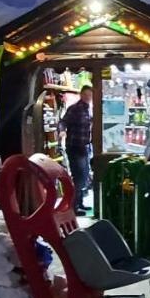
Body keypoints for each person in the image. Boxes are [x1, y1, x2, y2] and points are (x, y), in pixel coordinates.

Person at [61, 85, 94, 214]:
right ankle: (73, 208)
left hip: (84, 147)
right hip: (75, 147)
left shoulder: (88, 110)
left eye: (90, 95)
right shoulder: (75, 109)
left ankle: (79, 204)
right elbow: (63, 122)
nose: (88, 97)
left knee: (84, 175)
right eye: (85, 95)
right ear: (81, 95)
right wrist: (62, 131)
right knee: (79, 177)